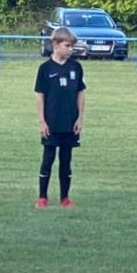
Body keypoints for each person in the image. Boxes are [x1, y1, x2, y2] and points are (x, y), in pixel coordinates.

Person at [34, 27, 86, 209]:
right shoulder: (45, 69)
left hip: (70, 123)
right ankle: (42, 197)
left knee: (66, 161)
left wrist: (80, 118)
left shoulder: (76, 67)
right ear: (56, 45)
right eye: (67, 46)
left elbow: (81, 93)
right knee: (48, 160)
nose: (71, 49)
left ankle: (65, 197)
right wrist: (42, 121)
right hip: (51, 123)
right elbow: (40, 96)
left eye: (72, 46)